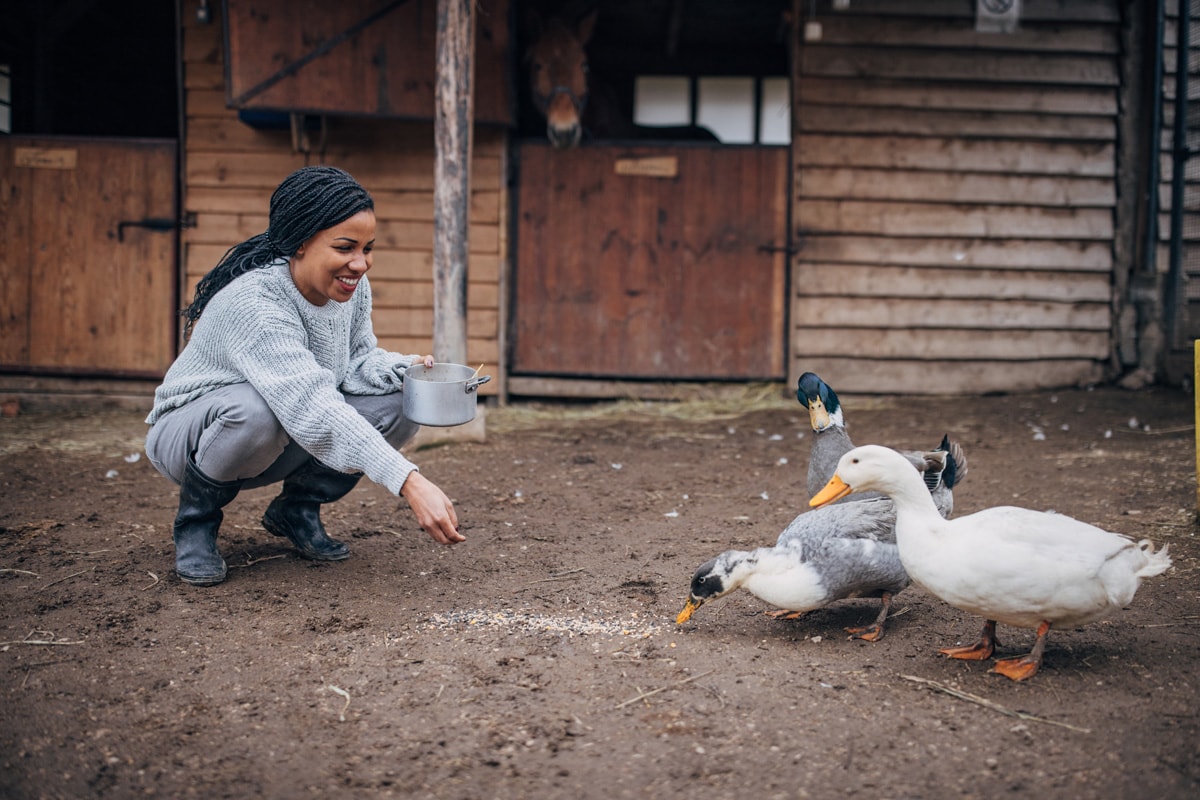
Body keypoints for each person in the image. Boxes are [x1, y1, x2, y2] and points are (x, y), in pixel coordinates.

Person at [145, 165, 465, 586]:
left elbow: (352, 364)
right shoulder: (256, 304)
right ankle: (196, 523)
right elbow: (311, 404)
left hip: (277, 430)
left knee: (402, 401)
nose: (360, 263)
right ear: (299, 243)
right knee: (258, 408)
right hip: (192, 436)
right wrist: (408, 479)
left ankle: (295, 510)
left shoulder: (348, 288)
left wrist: (404, 371)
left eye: (368, 248)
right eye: (346, 247)